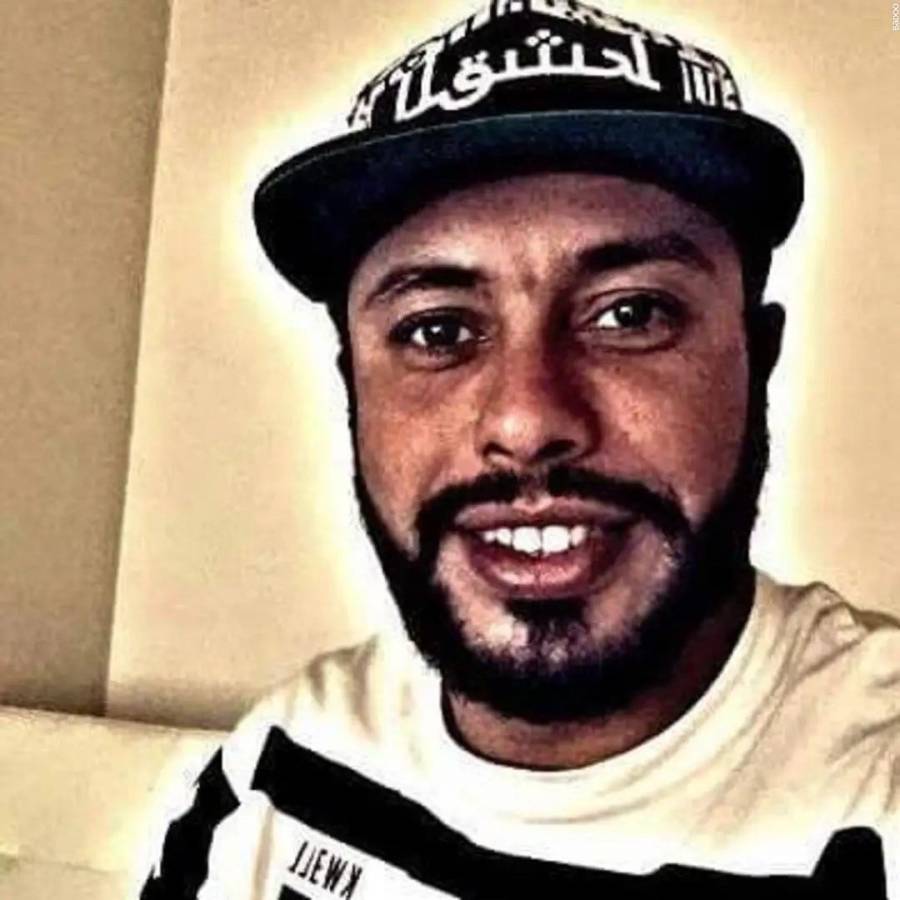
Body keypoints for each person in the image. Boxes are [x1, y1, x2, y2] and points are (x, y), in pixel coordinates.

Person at [141, 2, 899, 897]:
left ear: (757, 361)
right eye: (437, 330)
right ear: (354, 389)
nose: (528, 420)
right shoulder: (274, 779)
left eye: (632, 314)